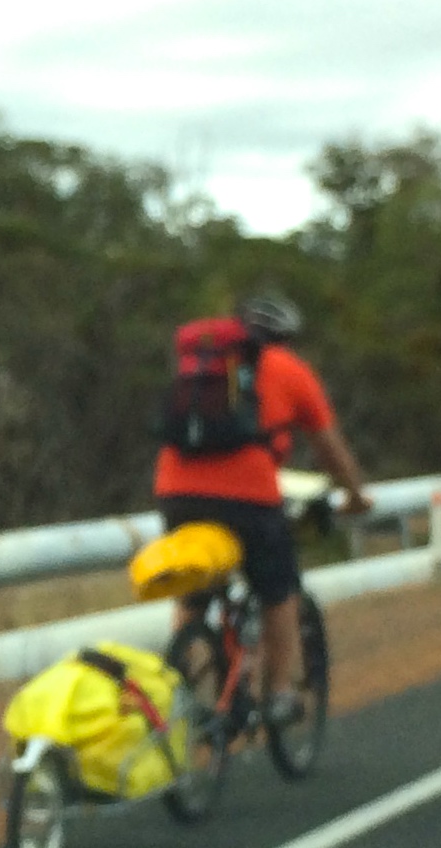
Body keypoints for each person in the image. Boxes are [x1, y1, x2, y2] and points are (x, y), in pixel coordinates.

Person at [153, 293, 372, 726]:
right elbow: (328, 447)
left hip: (176, 490)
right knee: (279, 587)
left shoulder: (200, 365)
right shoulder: (291, 369)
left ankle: (181, 685)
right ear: (287, 338)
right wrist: (356, 494)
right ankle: (279, 694)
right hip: (248, 496)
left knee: (194, 588)